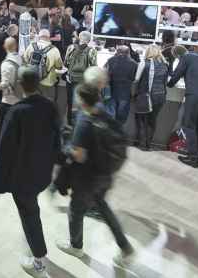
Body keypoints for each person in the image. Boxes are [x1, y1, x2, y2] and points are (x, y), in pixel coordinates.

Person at [0, 67, 61, 278]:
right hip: (43, 173)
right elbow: (57, 139)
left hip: (23, 177)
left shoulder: (17, 111)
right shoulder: (50, 107)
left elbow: (5, 150)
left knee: (29, 214)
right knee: (31, 209)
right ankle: (32, 244)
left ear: (20, 84)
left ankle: (38, 259)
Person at [56, 83, 135, 267]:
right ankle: (125, 247)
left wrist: (67, 147)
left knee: (75, 211)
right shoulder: (103, 113)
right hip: (105, 175)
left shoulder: (84, 121)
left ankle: (76, 246)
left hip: (87, 179)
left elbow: (80, 156)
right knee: (104, 210)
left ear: (82, 100)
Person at [134, 44, 169, 150]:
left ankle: (138, 141)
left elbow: (136, 79)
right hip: (160, 96)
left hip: (145, 95)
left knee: (140, 118)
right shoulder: (165, 64)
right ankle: (148, 144)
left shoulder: (144, 63)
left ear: (148, 52)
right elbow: (165, 81)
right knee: (152, 120)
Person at [64, 31, 97, 125]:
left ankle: (69, 122)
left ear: (79, 38)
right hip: (83, 81)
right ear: (89, 40)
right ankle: (79, 123)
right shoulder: (92, 51)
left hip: (70, 79)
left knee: (70, 102)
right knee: (81, 102)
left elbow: (65, 63)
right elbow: (93, 67)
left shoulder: (71, 47)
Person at [23, 29, 63, 102]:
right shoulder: (54, 50)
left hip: (33, 80)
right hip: (48, 82)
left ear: (39, 36)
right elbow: (59, 66)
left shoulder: (31, 45)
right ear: (48, 37)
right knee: (47, 103)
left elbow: (25, 59)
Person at [106, 45, 138, 125]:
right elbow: (135, 79)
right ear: (128, 53)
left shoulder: (110, 60)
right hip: (125, 93)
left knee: (111, 114)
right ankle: (119, 130)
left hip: (112, 91)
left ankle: (111, 131)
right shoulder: (134, 64)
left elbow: (106, 74)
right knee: (122, 116)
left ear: (117, 52)